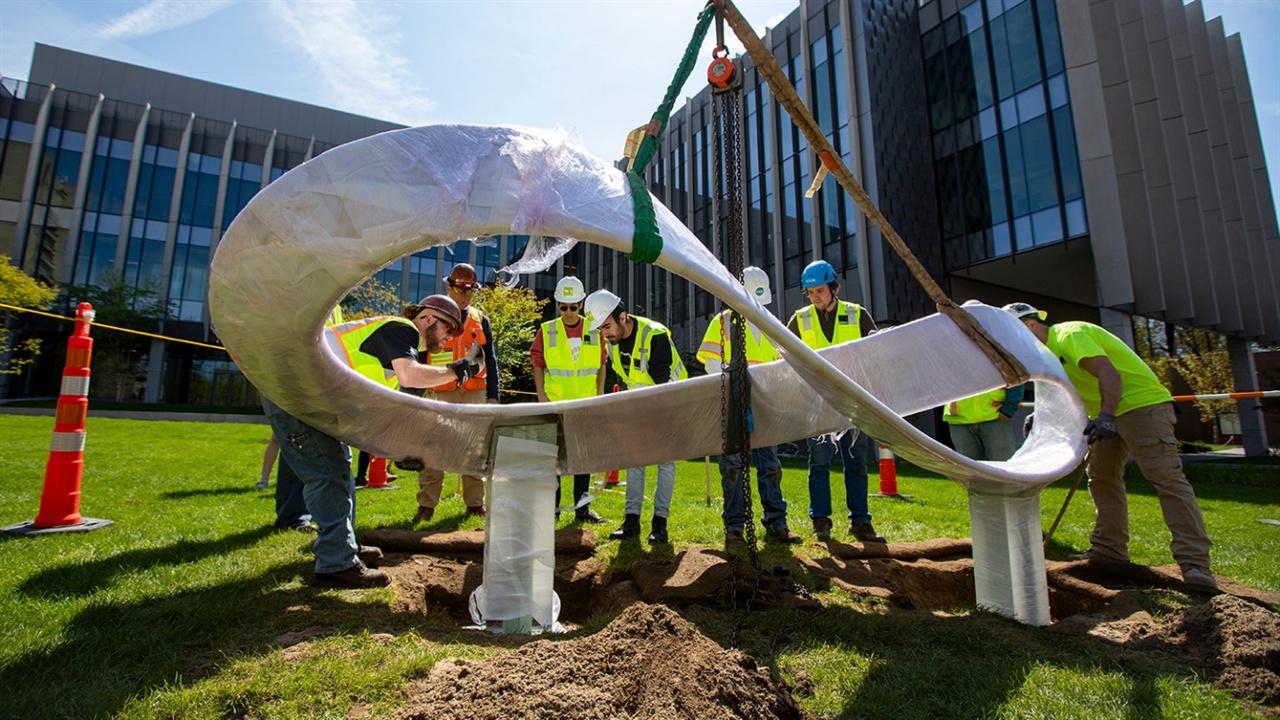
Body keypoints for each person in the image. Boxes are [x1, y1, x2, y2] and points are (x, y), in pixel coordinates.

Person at [262, 293, 480, 588]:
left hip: (307, 396)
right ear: (428, 319)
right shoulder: (400, 330)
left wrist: (400, 451)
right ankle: (335, 563)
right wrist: (459, 370)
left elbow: (381, 421)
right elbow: (411, 375)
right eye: (449, 329)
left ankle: (343, 545)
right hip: (296, 393)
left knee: (340, 466)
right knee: (327, 474)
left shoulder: (396, 355)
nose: (449, 338)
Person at [1004, 302, 1217, 592]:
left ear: (1028, 326)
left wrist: (1107, 416)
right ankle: (1109, 551)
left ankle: (1195, 564)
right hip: (1104, 413)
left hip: (1142, 406)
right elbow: (1063, 391)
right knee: (1102, 479)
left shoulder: (1070, 334)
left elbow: (1108, 373)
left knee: (1166, 479)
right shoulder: (1047, 355)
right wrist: (1040, 415)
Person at [697, 266, 801, 545]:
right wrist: (734, 378)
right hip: (733, 406)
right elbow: (709, 362)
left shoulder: (770, 324)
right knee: (732, 467)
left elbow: (783, 365)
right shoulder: (723, 322)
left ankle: (776, 522)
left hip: (765, 406)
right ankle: (735, 527)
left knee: (770, 465)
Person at [787, 259, 884, 543]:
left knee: (856, 463)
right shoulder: (800, 319)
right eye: (810, 292)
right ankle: (820, 522)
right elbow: (788, 360)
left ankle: (861, 522)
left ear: (833, 287)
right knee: (819, 464)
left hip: (854, 401)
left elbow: (875, 354)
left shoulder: (857, 314)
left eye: (820, 290)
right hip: (817, 404)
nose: (816, 296)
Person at [584, 288, 687, 543]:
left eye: (606, 327)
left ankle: (659, 524)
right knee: (634, 461)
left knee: (665, 462)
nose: (604, 334)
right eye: (600, 330)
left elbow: (663, 388)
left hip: (669, 402)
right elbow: (627, 380)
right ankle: (631, 522)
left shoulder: (655, 336)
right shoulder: (614, 344)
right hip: (639, 405)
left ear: (622, 316)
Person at [414, 264, 499, 524]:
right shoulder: (431, 316)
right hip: (440, 392)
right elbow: (418, 357)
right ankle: (426, 505)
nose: (463, 296)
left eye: (468, 292)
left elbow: (491, 359)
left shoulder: (479, 319)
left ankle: (475, 504)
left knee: (474, 449)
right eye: (459, 290)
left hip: (474, 392)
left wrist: (493, 395)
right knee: (434, 449)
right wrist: (416, 393)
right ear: (448, 287)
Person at [532, 276, 607, 524]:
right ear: (557, 304)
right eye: (563, 306)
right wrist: (542, 397)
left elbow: (602, 365)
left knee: (582, 458)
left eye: (573, 307)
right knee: (553, 458)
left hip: (585, 404)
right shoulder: (547, 330)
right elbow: (538, 364)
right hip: (555, 403)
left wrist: (599, 395)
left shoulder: (595, 330)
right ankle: (551, 509)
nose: (568, 312)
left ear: (582, 303)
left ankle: (582, 510)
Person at [943, 385, 1026, 461]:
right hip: (959, 419)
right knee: (970, 472)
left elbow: (1017, 378)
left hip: (994, 417)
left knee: (1004, 469)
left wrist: (1008, 409)